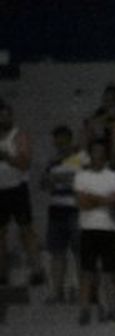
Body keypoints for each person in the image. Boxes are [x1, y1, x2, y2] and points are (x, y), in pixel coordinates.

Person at [73, 139, 115, 325]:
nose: (98, 156)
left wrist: (92, 198)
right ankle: (85, 309)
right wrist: (105, 200)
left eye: (101, 152)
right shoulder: (81, 177)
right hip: (88, 228)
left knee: (112, 272)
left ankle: (114, 308)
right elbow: (81, 203)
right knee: (87, 271)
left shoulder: (114, 177)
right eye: (94, 151)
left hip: (109, 228)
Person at [0, 100, 45, 288]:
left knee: (26, 231)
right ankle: (2, 272)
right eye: (1, 115)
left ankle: (36, 269)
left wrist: (6, 157)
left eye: (7, 115)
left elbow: (25, 163)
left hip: (17, 189)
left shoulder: (19, 136)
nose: (4, 119)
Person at [44, 125, 86, 305]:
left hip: (75, 210)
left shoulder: (81, 159)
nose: (60, 144)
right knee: (57, 253)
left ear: (70, 139)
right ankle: (57, 292)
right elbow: (44, 183)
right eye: (57, 141)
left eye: (63, 140)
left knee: (79, 253)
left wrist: (62, 180)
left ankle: (80, 290)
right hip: (56, 210)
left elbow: (84, 181)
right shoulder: (52, 161)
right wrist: (51, 181)